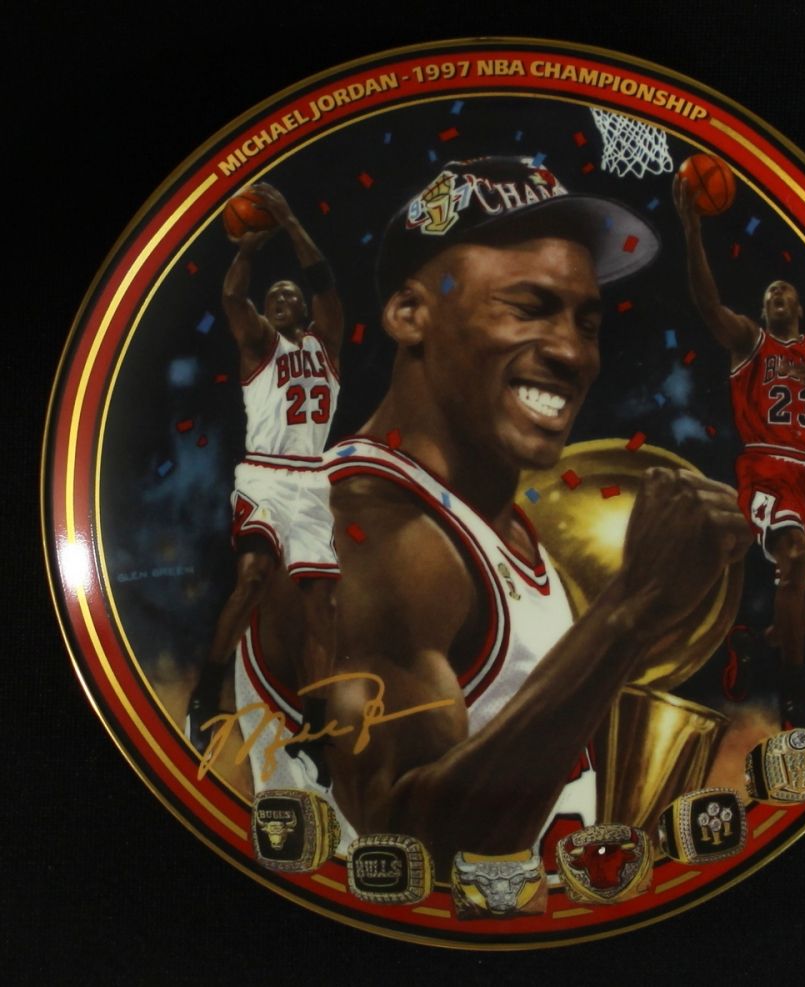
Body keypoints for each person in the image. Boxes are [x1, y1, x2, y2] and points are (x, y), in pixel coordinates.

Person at [318, 157, 751, 874]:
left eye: (588, 322)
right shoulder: (380, 532)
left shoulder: (507, 525)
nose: (573, 352)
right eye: (529, 307)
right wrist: (630, 613)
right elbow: (407, 855)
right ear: (409, 314)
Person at [672, 173, 805, 730]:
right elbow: (708, 304)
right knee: (791, 555)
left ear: (797, 304)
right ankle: (792, 694)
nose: (776, 295)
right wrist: (692, 230)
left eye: (784, 291)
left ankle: (751, 646)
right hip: (766, 466)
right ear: (763, 307)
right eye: (769, 292)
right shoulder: (751, 341)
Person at [185, 183, 344, 783]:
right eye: (271, 296)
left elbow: (325, 281)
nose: (279, 299)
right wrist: (248, 252)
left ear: (303, 308)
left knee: (322, 608)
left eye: (288, 294)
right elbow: (232, 296)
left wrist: (291, 218)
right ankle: (207, 693)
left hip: (312, 481)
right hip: (264, 474)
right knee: (252, 578)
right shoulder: (258, 344)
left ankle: (314, 729)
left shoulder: (327, 343)